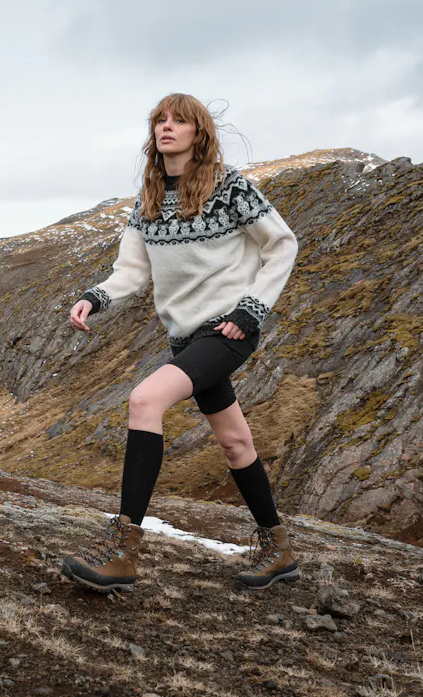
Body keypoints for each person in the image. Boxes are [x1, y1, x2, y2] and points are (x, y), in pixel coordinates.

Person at [59, 93, 301, 592]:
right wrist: (93, 298)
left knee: (144, 400)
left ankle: (122, 551)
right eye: (160, 121)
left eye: (179, 121)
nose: (166, 127)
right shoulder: (147, 201)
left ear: (199, 133)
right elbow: (131, 270)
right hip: (186, 339)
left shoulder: (230, 187)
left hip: (228, 330)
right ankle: (279, 550)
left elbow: (282, 244)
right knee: (235, 443)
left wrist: (252, 309)